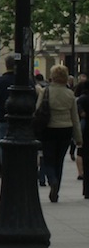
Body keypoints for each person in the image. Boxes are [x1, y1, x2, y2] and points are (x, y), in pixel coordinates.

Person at [37, 64, 83, 202]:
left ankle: (52, 180)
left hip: (49, 129)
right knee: (60, 160)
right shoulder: (70, 94)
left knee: (49, 159)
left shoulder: (45, 92)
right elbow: (75, 117)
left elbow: (37, 109)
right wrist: (78, 137)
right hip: (65, 130)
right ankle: (57, 188)